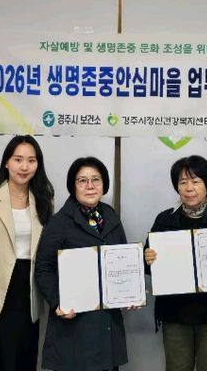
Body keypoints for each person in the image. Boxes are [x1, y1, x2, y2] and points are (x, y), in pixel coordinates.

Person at [144, 155, 207, 371]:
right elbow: (149, 267)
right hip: (175, 315)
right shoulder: (164, 220)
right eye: (183, 182)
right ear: (177, 186)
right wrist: (148, 258)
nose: (189, 188)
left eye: (195, 181)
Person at [0, 135, 55, 371]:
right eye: (18, 159)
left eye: (31, 161)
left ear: (38, 165)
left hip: (28, 290)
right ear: (6, 162)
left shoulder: (43, 201)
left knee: (22, 357)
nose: (24, 167)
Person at [35, 156, 128, 371]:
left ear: (104, 185)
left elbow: (122, 260)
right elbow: (44, 268)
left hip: (107, 324)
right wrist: (58, 302)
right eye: (82, 180)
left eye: (96, 179)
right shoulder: (59, 222)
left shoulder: (111, 217)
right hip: (74, 325)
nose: (90, 186)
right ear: (73, 186)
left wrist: (129, 294)